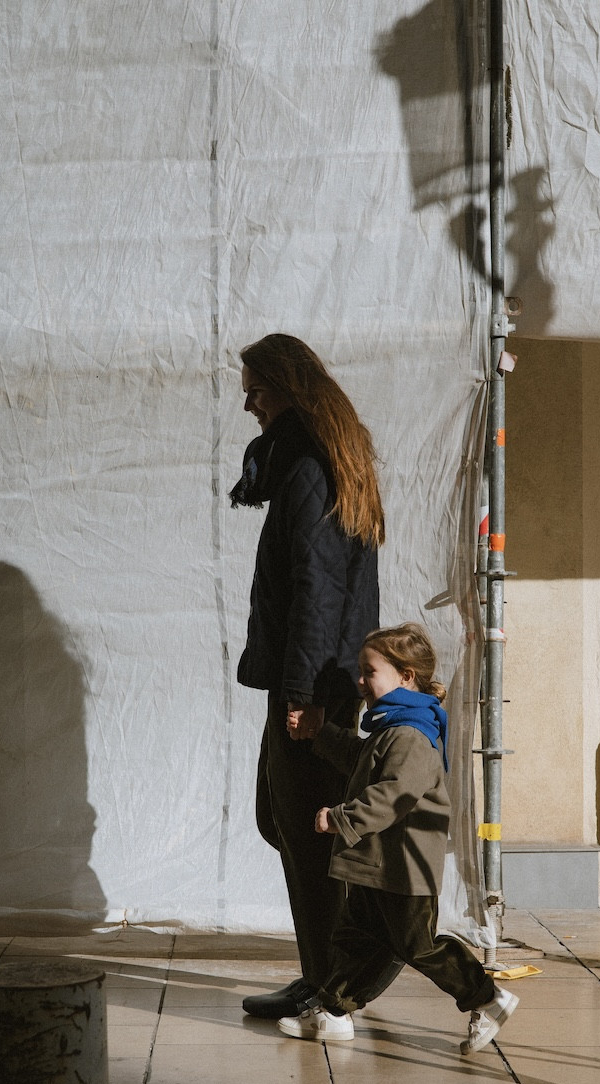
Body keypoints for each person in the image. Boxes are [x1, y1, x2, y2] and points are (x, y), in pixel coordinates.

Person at [230, 333, 400, 1018]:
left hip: (314, 678)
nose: (249, 404)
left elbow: (316, 591)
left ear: (289, 387)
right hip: (324, 671)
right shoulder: (331, 456)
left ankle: (343, 974)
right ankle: (330, 966)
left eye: (257, 390)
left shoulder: (306, 465)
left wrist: (301, 698)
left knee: (305, 828)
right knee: (291, 822)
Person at [275, 622, 518, 1056]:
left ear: (406, 677)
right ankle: (333, 1013)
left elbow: (393, 794)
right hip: (378, 867)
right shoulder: (391, 728)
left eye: (370, 672)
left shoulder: (411, 734)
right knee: (354, 940)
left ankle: (487, 997)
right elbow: (361, 760)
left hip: (402, 870)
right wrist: (321, 734)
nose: (361, 681)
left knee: (419, 946)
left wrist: (340, 818)